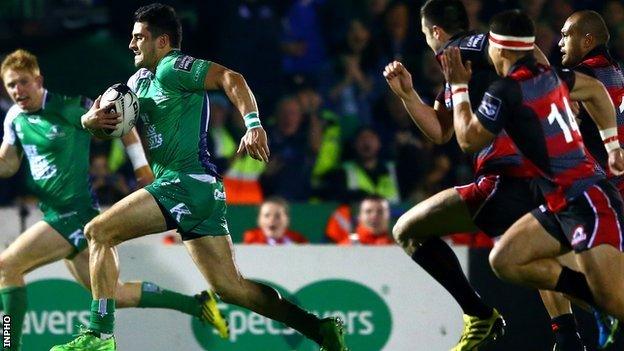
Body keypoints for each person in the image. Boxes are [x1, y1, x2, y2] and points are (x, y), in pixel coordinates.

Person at [51, 4, 348, 351]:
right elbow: (111, 128)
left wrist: (253, 125)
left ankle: (100, 335)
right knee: (231, 287)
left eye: (138, 37)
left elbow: (230, 78)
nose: (131, 44)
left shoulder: (173, 67)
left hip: (184, 182)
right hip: (198, 191)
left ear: (162, 41)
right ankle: (320, 329)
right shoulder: (137, 82)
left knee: (97, 232)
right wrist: (91, 122)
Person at [0, 49, 228, 351]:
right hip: (55, 214)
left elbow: (117, 120)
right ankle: (198, 305)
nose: (18, 90)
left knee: (6, 267)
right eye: (11, 85)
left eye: (23, 82)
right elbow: (9, 164)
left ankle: (8, 347)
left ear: (39, 80)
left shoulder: (66, 107)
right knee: (114, 294)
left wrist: (140, 165)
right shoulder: (14, 118)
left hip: (75, 216)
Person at [440, 9, 624, 351]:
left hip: (589, 197)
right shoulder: (560, 78)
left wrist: (460, 86)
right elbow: (597, 92)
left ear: (500, 49)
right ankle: (579, 323)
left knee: (614, 296)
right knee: (505, 259)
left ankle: (594, 313)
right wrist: (613, 145)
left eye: (567, 35)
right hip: (562, 198)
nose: (561, 41)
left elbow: (465, 140)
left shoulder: (510, 89)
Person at [383, 0, 542, 348]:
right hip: (530, 175)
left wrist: (549, 83)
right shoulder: (460, 76)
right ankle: (574, 331)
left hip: (505, 177)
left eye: (425, 34)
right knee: (550, 264)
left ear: (436, 32)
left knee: (408, 231)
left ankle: (479, 314)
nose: (426, 41)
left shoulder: (460, 48)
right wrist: (408, 95)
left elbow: (516, 47)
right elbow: (441, 132)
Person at [539, 10, 624, 350]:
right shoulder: (616, 73)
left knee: (538, 255)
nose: (560, 42)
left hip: (595, 193)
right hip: (610, 191)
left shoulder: (582, 79)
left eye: (566, 35)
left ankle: (571, 333)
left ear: (587, 40)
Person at [243, 197, 308, 245]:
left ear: (287, 220)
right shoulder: (250, 240)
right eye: (267, 215)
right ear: (259, 220)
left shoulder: (299, 240)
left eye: (278, 216)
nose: (272, 220)